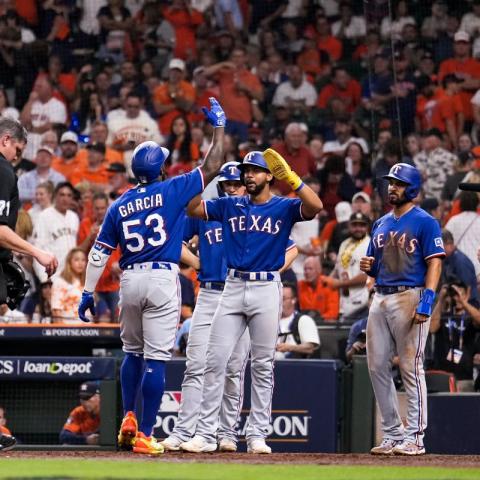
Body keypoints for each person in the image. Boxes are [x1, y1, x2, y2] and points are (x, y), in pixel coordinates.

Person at [78, 98, 226, 455]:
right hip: (161, 278)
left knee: (132, 352)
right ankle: (145, 432)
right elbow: (215, 164)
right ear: (160, 169)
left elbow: (98, 253)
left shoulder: (119, 203)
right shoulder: (173, 189)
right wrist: (218, 126)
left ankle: (128, 416)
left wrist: (87, 292)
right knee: (156, 360)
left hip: (129, 281)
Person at [180, 148, 322, 454]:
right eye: (246, 170)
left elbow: (316, 206)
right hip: (232, 285)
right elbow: (192, 209)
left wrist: (293, 179)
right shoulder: (230, 204)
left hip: (266, 287)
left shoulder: (283, 206)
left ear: (269, 175)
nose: (248, 175)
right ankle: (205, 434)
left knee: (262, 365)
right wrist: (207, 174)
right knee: (215, 360)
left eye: (255, 170)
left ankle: (257, 434)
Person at [360, 163, 445, 456]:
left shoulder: (425, 221)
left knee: (410, 366)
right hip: (381, 296)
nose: (391, 187)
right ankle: (393, 434)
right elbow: (372, 263)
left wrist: (428, 299)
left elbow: (435, 261)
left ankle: (415, 438)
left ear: (412, 188)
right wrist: (368, 267)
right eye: (390, 182)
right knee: (376, 366)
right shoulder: (381, 223)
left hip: (410, 295)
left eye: (397, 183)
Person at [0, 118, 58, 321]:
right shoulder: (3, 169)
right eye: (17, 150)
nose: (17, 158)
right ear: (5, 140)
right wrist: (36, 252)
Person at [430, 279, 480, 392]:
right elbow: (432, 328)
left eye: (460, 294)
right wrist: (441, 300)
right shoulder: (444, 316)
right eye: (454, 295)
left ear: (467, 294)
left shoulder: (469, 317)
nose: (456, 298)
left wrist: (464, 302)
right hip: (442, 377)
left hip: (464, 378)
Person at [32, 182, 79, 283]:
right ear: (55, 196)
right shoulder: (44, 216)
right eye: (62, 194)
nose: (65, 198)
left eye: (69, 195)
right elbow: (37, 249)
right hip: (53, 276)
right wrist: (44, 279)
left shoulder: (74, 217)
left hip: (72, 276)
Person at [328, 213, 370, 323]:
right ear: (349, 226)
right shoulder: (344, 244)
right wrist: (328, 280)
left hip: (362, 302)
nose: (358, 229)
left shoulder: (370, 245)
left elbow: (368, 276)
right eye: (354, 225)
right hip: (344, 301)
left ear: (367, 227)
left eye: (362, 225)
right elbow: (338, 268)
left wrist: (341, 284)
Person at [276, 283, 320, 360]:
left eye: (283, 298)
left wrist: (290, 348)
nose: (279, 302)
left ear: (293, 300)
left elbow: (310, 348)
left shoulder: (304, 320)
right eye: (277, 298)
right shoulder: (271, 321)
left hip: (296, 366)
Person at [297, 256, 339, 322]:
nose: (307, 272)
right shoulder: (299, 286)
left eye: (310, 269)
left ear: (319, 270)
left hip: (324, 325)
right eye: (305, 269)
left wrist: (316, 319)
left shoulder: (329, 284)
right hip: (304, 324)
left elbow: (332, 313)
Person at [51, 248, 87, 324]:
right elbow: (56, 311)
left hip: (89, 330)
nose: (80, 263)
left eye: (83, 260)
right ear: (69, 262)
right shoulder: (60, 282)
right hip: (69, 330)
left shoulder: (88, 283)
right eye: (76, 260)